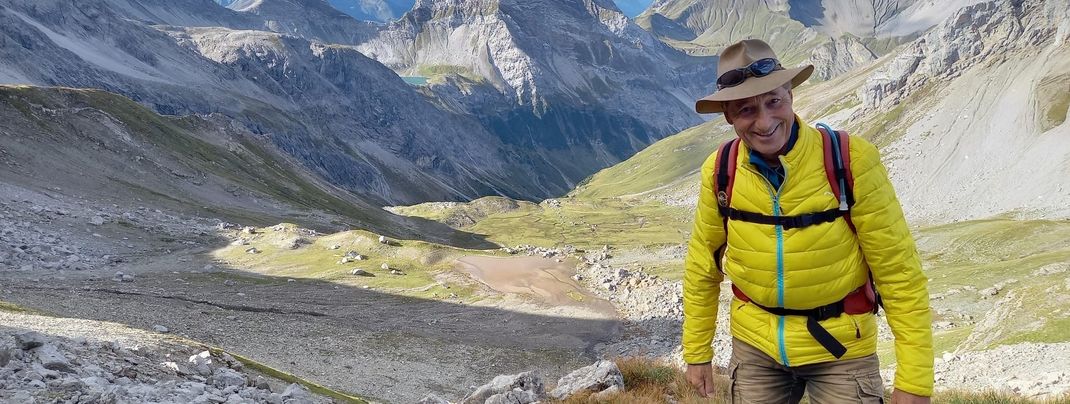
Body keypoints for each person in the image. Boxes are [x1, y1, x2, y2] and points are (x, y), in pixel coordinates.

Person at [681, 39, 933, 403]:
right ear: (729, 116)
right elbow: (702, 266)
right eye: (746, 109)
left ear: (791, 95)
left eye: (774, 101)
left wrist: (914, 382)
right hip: (755, 347)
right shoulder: (720, 171)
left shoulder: (851, 161)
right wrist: (697, 352)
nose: (765, 121)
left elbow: (899, 273)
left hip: (841, 349)